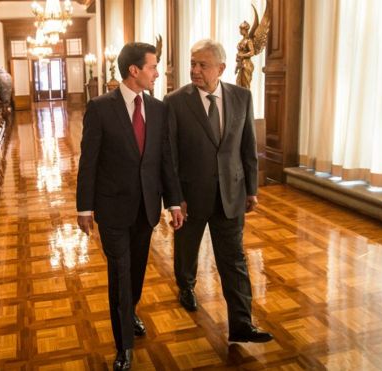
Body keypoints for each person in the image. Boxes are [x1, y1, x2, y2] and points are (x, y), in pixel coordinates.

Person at [77, 42, 184, 370]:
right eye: (153, 67)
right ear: (134, 70)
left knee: (136, 272)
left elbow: (164, 159)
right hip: (112, 209)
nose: (157, 72)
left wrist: (174, 201)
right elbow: (89, 161)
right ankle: (123, 347)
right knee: (120, 275)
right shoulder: (100, 108)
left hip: (146, 209)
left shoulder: (158, 108)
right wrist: (84, 207)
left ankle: (130, 311)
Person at [164, 39, 273, 343]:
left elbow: (247, 147)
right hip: (190, 197)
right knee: (186, 251)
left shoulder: (242, 97)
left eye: (202, 64)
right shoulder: (174, 101)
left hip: (231, 195)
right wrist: (175, 200)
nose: (195, 70)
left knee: (234, 261)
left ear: (221, 68)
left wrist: (252, 188)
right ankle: (185, 285)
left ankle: (241, 325)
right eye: (193, 63)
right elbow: (169, 155)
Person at [235, 22, 255, 89]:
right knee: (239, 84)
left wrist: (242, 55)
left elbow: (252, 52)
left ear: (245, 30)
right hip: (241, 64)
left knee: (245, 84)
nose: (240, 31)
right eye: (240, 29)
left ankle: (246, 99)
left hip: (246, 64)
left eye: (241, 29)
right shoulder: (242, 40)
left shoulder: (248, 41)